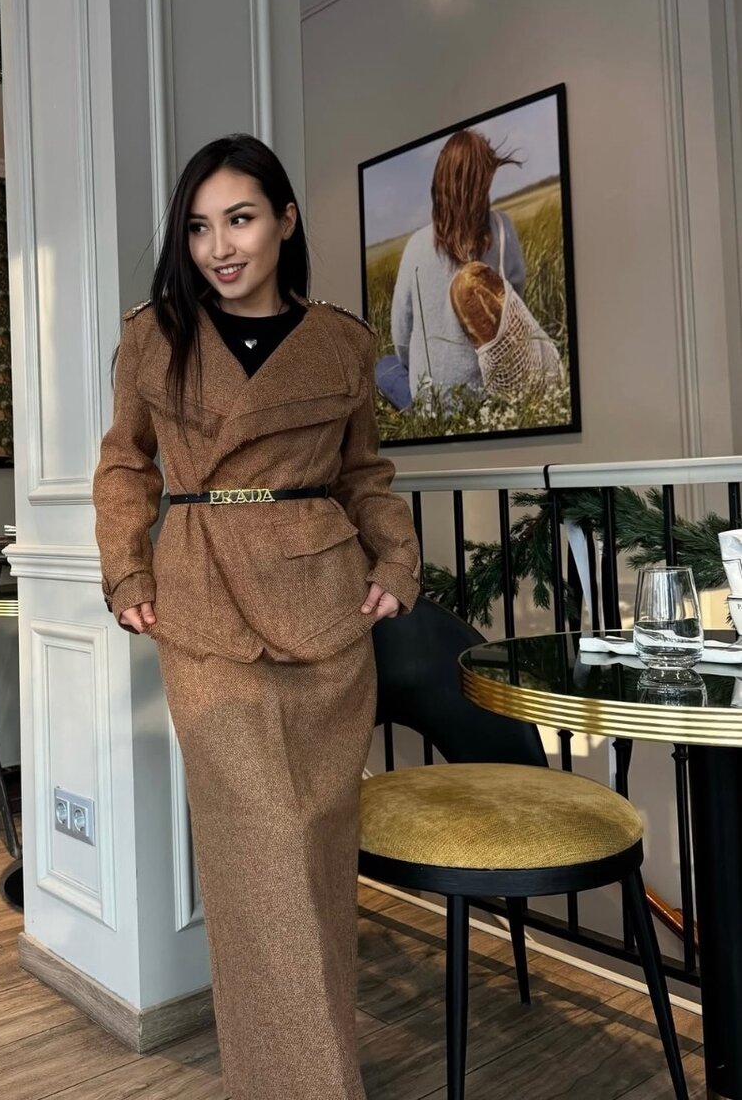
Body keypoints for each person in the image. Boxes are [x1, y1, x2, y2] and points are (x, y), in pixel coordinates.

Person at [92, 133, 421, 1100]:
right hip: (201, 606)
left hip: (325, 610)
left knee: (316, 844)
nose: (218, 247)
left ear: (284, 219)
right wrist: (126, 570)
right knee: (258, 853)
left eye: (238, 219)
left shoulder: (340, 341)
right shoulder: (153, 336)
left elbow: (364, 474)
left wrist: (396, 562)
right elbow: (124, 464)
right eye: (198, 228)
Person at [378, 128, 555, 409]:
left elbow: (401, 336)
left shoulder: (415, 246)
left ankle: (418, 412)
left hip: (434, 402)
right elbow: (514, 303)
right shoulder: (503, 229)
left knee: (384, 367)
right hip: (491, 391)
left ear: (439, 183)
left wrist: (422, 370)